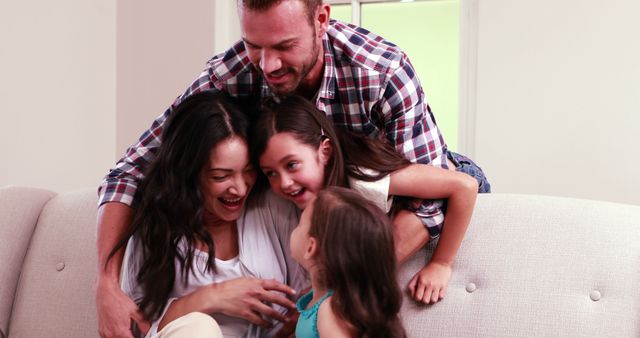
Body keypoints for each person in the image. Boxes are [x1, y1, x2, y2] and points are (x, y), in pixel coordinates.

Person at [96, 1, 486, 336]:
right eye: (253, 46)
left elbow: (435, 201)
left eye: (284, 46)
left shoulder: (380, 74)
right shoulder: (231, 74)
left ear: (321, 19)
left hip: (391, 173)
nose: (267, 64)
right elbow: (129, 172)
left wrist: (347, 277)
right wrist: (107, 284)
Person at [107, 91, 305, 337]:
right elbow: (137, 328)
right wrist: (212, 296)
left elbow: (305, 309)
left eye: (249, 171)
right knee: (199, 327)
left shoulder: (273, 208)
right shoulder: (157, 225)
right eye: (220, 176)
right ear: (189, 173)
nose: (240, 188)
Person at [253, 95, 479, 304]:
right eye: (271, 173)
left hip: (459, 170)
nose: (284, 183)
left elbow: (465, 186)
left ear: (325, 151)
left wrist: (441, 264)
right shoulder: (309, 195)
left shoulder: (365, 179)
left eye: (292, 165)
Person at [291, 187, 407, 338]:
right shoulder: (324, 300)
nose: (295, 228)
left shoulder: (331, 311)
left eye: (300, 224)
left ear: (311, 247)